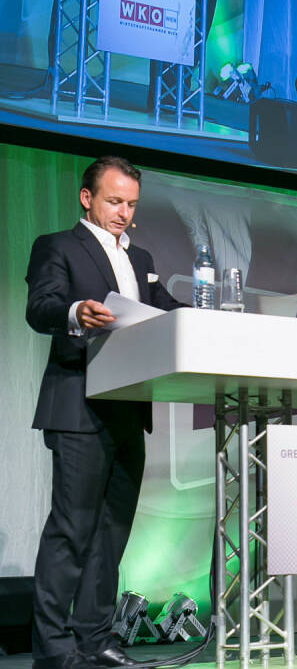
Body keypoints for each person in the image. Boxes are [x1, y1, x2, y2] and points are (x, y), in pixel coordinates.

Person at [26, 156, 186, 669]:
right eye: (114, 201)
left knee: (112, 531)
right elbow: (41, 306)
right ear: (87, 198)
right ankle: (53, 649)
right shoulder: (58, 246)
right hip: (77, 404)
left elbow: (167, 310)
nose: (123, 212)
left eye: (131, 204)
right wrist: (77, 312)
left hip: (127, 405)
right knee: (71, 529)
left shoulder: (140, 258)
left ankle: (94, 641)